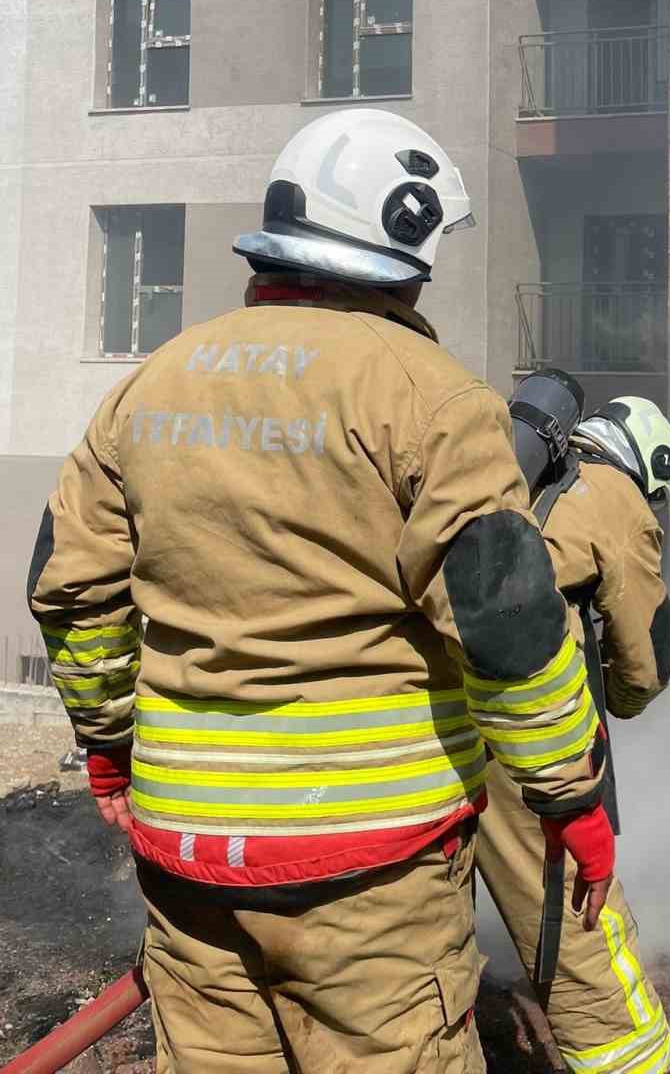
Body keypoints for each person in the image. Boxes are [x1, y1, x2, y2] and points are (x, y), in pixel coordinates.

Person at [27, 108, 613, 1074]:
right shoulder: (434, 401)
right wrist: (569, 796)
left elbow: (72, 590)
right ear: (408, 237)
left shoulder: (151, 384)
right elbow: (509, 627)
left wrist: (109, 749)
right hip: (370, 873)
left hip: (189, 860)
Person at [476, 396, 670, 1074]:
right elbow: (640, 653)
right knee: (568, 900)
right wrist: (620, 700)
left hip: (420, 694)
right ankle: (628, 1058)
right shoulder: (616, 496)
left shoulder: (519, 472)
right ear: (648, 467)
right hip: (516, 705)